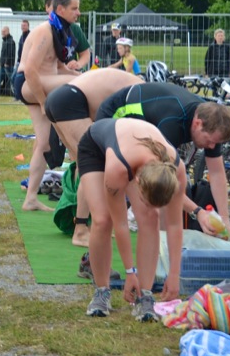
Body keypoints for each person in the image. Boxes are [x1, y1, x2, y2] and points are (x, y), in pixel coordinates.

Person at [94, 82, 230, 290]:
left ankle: (160, 265)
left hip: (145, 124)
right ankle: (140, 264)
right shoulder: (173, 124)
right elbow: (165, 185)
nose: (212, 146)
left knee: (156, 208)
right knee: (126, 209)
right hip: (114, 118)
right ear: (197, 124)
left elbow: (217, 172)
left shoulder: (212, 123)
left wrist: (225, 218)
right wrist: (198, 212)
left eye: (216, 143)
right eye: (210, 141)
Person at [78, 118, 183, 320]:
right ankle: (102, 290)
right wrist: (129, 272)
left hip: (134, 151)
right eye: (144, 198)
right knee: (102, 220)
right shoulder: (118, 169)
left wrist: (174, 275)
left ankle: (146, 295)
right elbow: (121, 224)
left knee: (150, 216)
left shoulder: (177, 171)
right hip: (96, 148)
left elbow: (174, 224)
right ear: (137, 181)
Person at [44, 68, 143, 247]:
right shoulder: (143, 96)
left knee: (81, 164)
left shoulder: (136, 87)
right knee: (93, 166)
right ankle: (81, 230)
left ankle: (82, 222)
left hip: (60, 98)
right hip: (70, 100)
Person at [14, 0, 84, 211]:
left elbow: (58, 67)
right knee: (79, 84)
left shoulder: (59, 31)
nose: (78, 13)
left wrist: (78, 73)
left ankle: (30, 199)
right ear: (60, 9)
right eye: (74, 8)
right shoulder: (45, 31)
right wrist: (44, 102)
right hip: (29, 84)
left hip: (39, 84)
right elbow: (30, 70)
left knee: (44, 144)